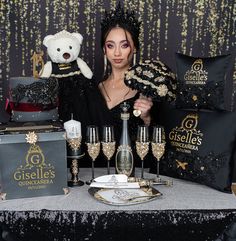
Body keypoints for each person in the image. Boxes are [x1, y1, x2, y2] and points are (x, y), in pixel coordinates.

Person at [72, 3, 157, 167]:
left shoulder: (146, 90)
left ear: (135, 48)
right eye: (111, 45)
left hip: (131, 174)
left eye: (124, 45)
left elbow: (156, 150)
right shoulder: (93, 90)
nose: (117, 53)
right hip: (97, 175)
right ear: (104, 49)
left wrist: (147, 119)